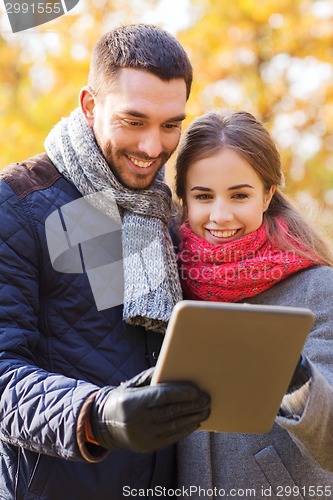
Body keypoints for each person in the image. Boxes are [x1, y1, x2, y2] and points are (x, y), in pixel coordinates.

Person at [0, 25, 211, 500]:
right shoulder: (18, 206)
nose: (153, 148)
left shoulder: (165, 212)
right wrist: (95, 416)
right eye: (134, 121)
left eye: (170, 124)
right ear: (90, 106)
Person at [175, 109, 333, 498]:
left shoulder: (318, 288)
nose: (220, 215)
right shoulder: (161, 285)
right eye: (203, 196)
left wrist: (293, 374)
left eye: (240, 195)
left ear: (268, 195)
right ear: (183, 199)